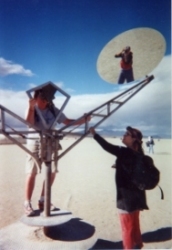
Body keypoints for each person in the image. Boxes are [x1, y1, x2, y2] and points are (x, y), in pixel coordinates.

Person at [24, 88, 91, 216]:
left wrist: (84, 120)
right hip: (35, 142)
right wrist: (31, 108)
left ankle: (43, 200)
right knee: (31, 172)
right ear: (36, 97)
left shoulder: (53, 110)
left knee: (52, 171)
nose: (45, 101)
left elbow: (67, 122)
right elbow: (29, 124)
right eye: (43, 99)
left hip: (51, 142)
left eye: (47, 99)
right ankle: (27, 203)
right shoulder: (32, 108)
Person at [89, 126, 148, 249]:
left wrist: (94, 134)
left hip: (125, 198)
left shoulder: (124, 152)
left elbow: (106, 146)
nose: (124, 135)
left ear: (133, 139)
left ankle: (129, 247)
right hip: (138, 197)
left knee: (126, 227)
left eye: (127, 134)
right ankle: (138, 244)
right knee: (134, 223)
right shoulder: (139, 153)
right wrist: (119, 165)